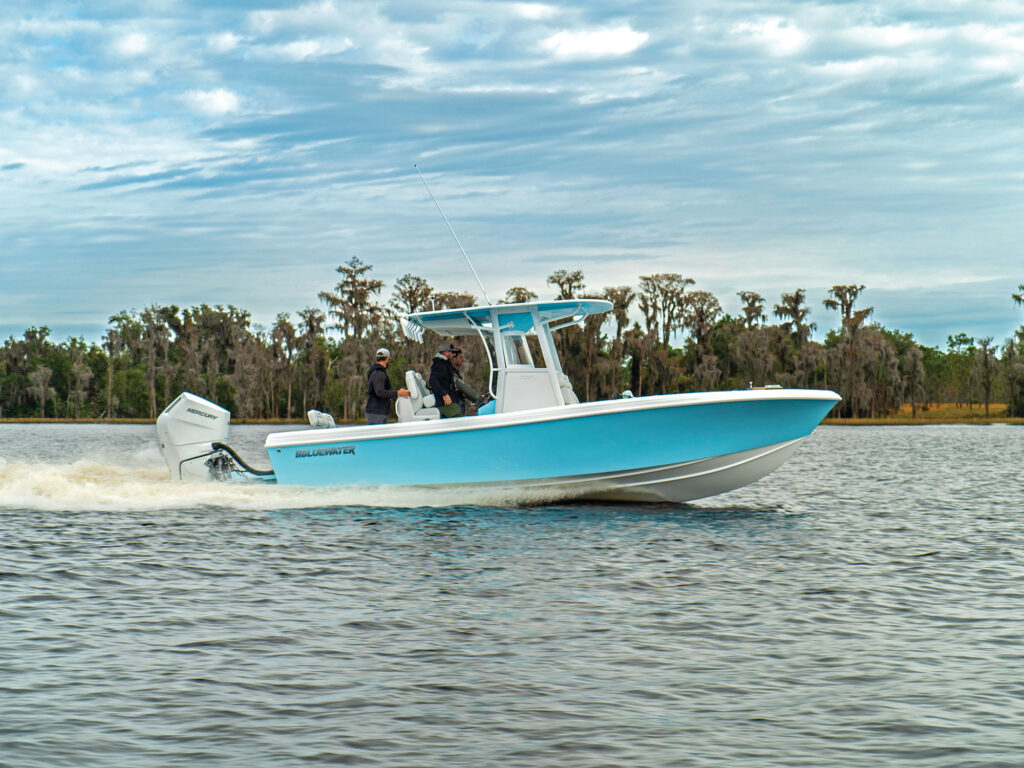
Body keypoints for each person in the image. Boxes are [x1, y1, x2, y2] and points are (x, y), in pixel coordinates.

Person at [365, 348, 410, 424]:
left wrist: (398, 392)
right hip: (376, 412)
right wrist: (397, 393)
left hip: (376, 412)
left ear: (377, 358)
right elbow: (379, 392)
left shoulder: (375, 372)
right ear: (387, 359)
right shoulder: (379, 373)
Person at [428, 341, 463, 418]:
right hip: (444, 403)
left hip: (449, 401)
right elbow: (432, 381)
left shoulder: (445, 364)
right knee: (460, 419)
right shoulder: (440, 365)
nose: (453, 354)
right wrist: (444, 394)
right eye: (451, 352)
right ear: (445, 352)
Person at [451, 348, 491, 414]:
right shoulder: (451, 374)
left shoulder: (456, 373)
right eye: (460, 357)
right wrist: (480, 399)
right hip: (455, 405)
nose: (463, 359)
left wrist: (473, 400)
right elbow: (463, 387)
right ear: (453, 359)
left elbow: (463, 391)